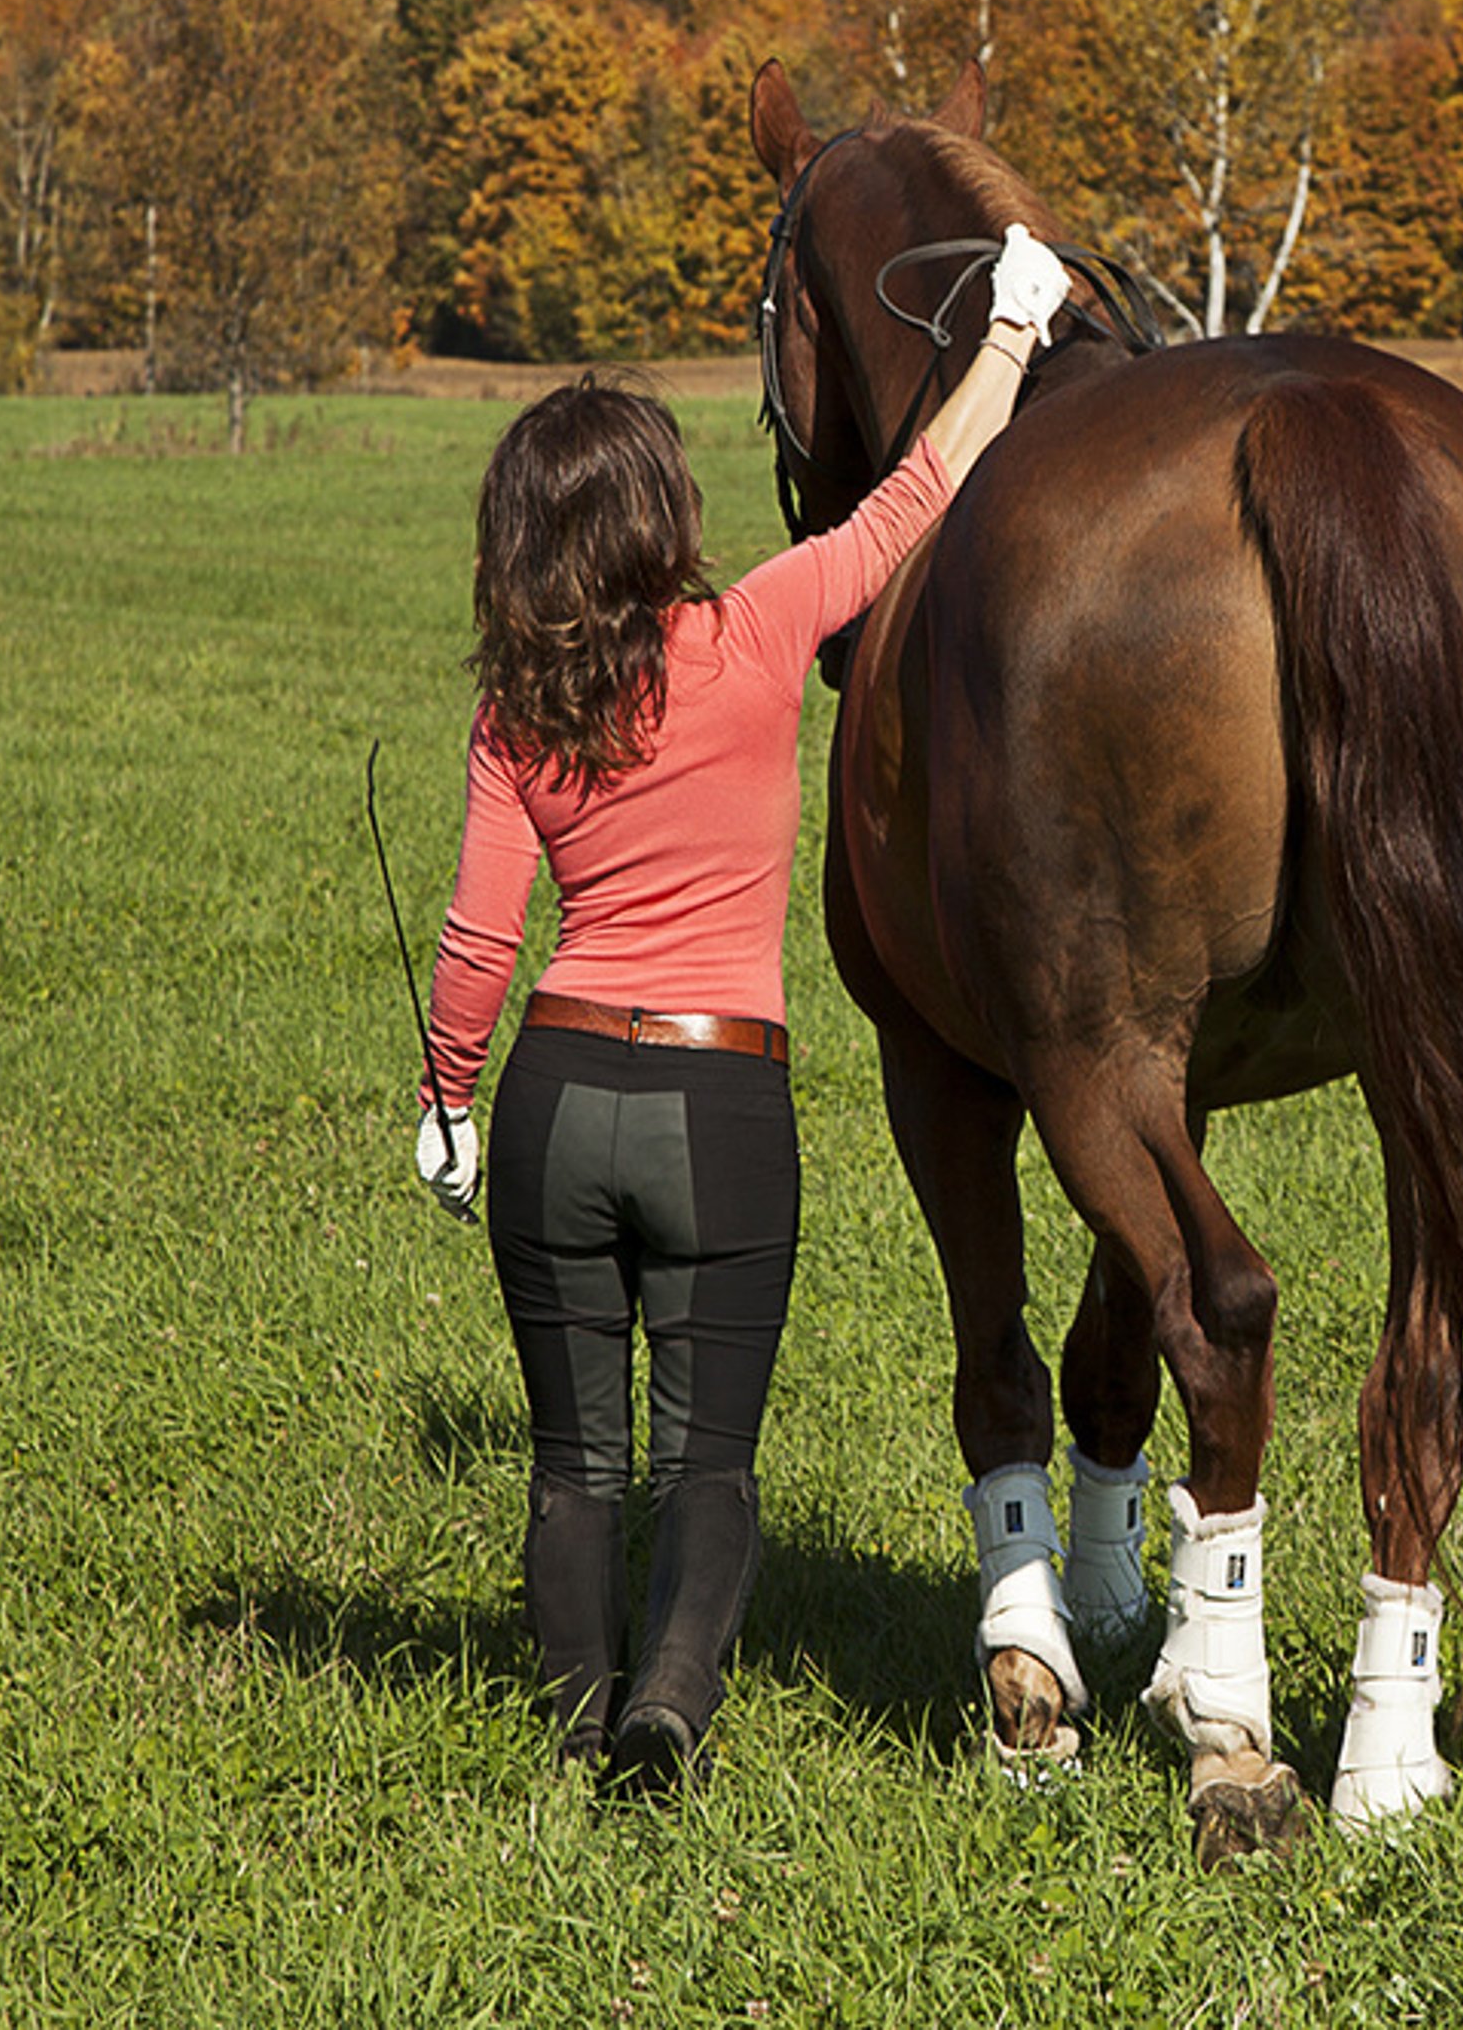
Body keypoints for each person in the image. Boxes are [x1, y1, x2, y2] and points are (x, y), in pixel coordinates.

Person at [412, 224, 1072, 1789]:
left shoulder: (518, 709)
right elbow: (917, 494)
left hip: (554, 1098)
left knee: (575, 1463)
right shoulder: (760, 629)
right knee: (705, 1460)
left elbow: (476, 937)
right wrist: (1015, 330)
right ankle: (668, 1713)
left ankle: (574, 1717)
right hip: (721, 1101)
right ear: (662, 514)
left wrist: (446, 1097)